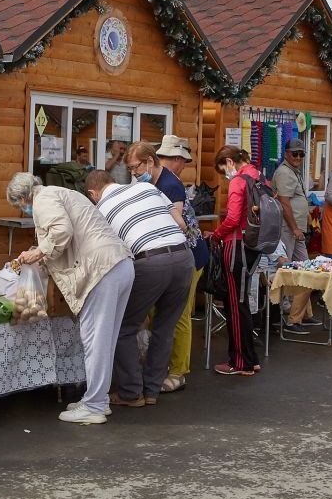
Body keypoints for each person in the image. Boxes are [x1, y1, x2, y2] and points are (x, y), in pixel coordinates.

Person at [6, 172, 134, 424]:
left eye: (21, 206)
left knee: (95, 340)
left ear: (23, 197)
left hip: (99, 271)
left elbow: (61, 231)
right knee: (104, 340)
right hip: (118, 265)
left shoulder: (43, 199)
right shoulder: (63, 194)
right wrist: (40, 254)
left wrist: (39, 252)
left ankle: (94, 405)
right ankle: (98, 399)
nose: (25, 210)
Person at [87, 158, 193, 407]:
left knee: (124, 327)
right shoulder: (146, 188)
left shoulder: (101, 209)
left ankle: (131, 393)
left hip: (150, 262)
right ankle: (152, 391)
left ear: (93, 193)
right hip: (183, 256)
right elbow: (180, 221)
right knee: (165, 327)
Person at [150, 136, 207, 393]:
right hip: (177, 256)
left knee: (179, 314)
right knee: (165, 313)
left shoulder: (170, 184)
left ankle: (178, 371)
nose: (184, 165)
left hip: (188, 257)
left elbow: (177, 224)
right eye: (183, 161)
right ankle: (164, 366)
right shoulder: (163, 181)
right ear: (175, 159)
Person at [207, 146, 262, 376]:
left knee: (234, 306)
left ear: (229, 161)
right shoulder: (257, 175)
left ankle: (241, 362)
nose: (224, 176)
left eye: (223, 170)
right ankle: (251, 358)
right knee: (241, 304)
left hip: (235, 245)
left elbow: (231, 218)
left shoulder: (239, 181)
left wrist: (216, 235)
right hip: (252, 246)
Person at [271, 138, 320, 334]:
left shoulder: (293, 171)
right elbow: (284, 203)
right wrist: (293, 228)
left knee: (307, 270)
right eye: (295, 153)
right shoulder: (283, 172)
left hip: (296, 228)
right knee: (288, 270)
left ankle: (301, 314)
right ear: (286, 154)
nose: (298, 157)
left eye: (301, 154)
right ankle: (287, 316)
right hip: (288, 229)